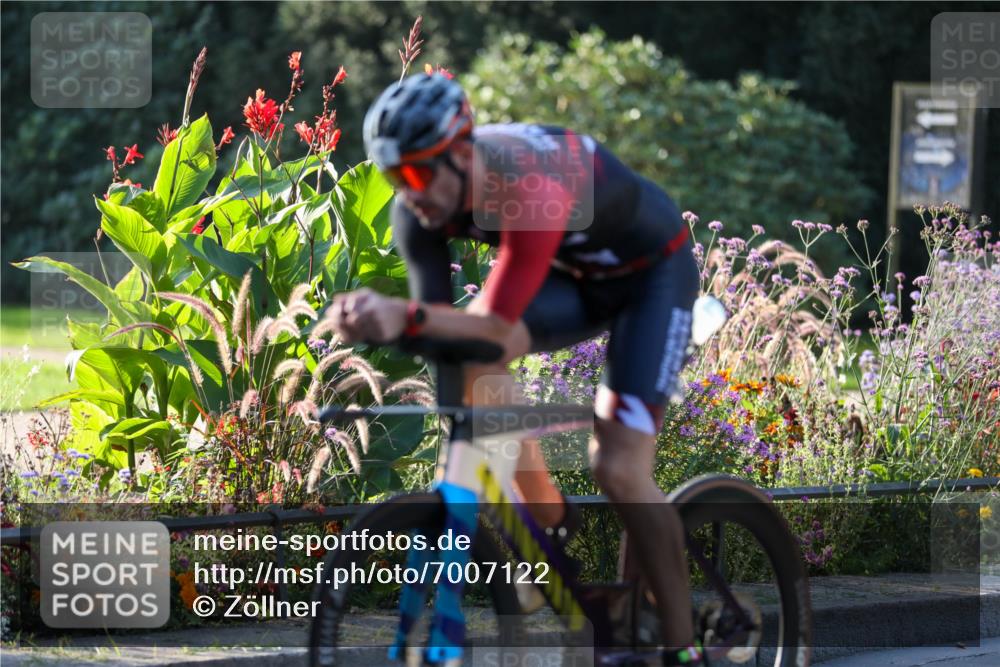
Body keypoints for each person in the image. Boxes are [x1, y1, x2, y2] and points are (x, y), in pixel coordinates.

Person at [329, 73, 704, 666]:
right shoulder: (419, 212)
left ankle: (684, 650)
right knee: (471, 358)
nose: (409, 194)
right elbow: (441, 330)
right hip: (573, 278)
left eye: (418, 175)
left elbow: (494, 324)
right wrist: (392, 327)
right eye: (394, 178)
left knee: (618, 467)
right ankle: (550, 521)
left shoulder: (525, 185)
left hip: (651, 278)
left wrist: (402, 316)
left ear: (460, 155)